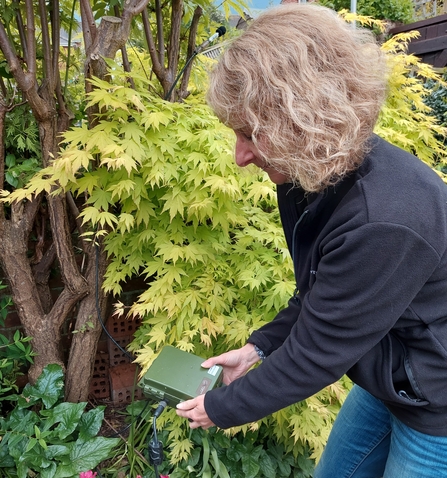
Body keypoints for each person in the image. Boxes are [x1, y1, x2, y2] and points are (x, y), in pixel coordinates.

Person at [175, 4, 447, 477]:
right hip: (388, 375)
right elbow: (323, 294)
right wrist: (256, 349)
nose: (240, 156)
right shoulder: (309, 177)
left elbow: (317, 353)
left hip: (438, 401)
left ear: (303, 120)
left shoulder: (383, 217)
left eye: (249, 135)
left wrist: (221, 407)